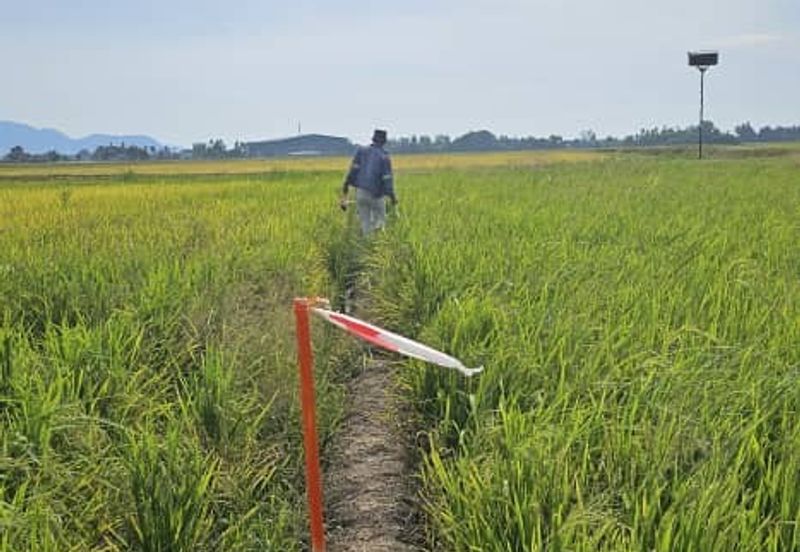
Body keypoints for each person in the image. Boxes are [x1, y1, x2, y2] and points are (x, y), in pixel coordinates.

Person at [340, 129, 397, 235]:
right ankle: (376, 246)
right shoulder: (384, 156)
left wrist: (346, 186)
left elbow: (353, 171)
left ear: (373, 139)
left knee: (365, 223)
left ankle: (367, 243)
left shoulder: (361, 151)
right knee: (380, 221)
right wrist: (392, 197)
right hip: (376, 195)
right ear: (384, 141)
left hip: (361, 193)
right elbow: (387, 179)